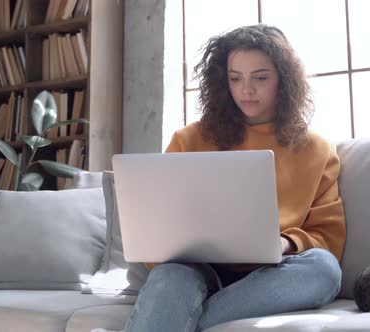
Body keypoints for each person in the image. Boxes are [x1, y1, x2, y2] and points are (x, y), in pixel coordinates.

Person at [125, 24, 347, 332]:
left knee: (324, 270)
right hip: (196, 270)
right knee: (170, 275)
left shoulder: (317, 150)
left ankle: (184, 320)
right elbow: (158, 224)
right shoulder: (188, 139)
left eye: (260, 78)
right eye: (235, 78)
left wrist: (285, 242)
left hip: (272, 274)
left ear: (284, 80)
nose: (246, 90)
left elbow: (328, 239)